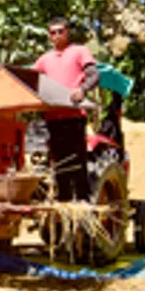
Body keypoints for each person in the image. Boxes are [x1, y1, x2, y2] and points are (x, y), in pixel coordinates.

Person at [33, 17, 99, 200]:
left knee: (78, 162)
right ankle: (65, 205)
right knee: (60, 165)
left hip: (74, 117)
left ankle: (83, 204)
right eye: (53, 32)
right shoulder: (45, 59)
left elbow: (94, 76)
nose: (57, 35)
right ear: (48, 35)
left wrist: (82, 89)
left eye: (60, 31)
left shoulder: (79, 51)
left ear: (67, 32)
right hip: (53, 119)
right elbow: (29, 78)